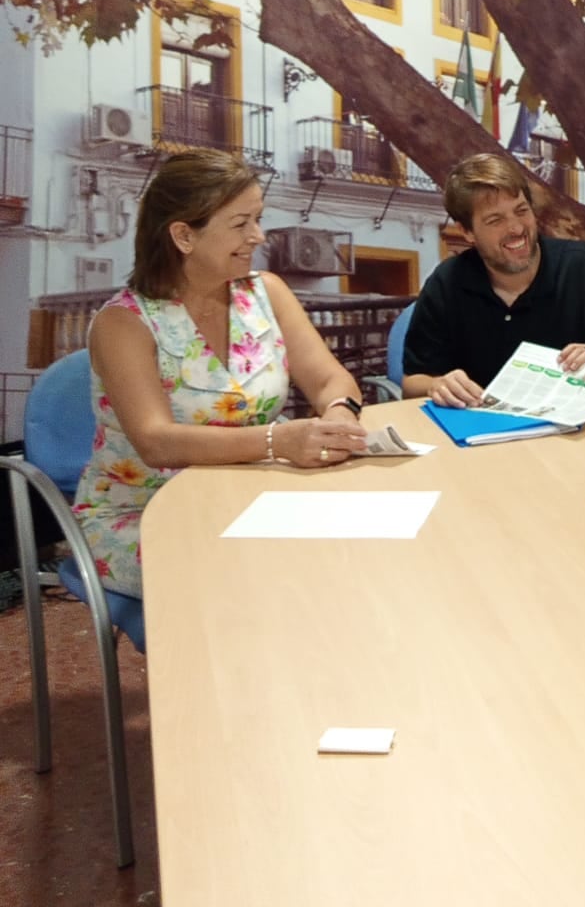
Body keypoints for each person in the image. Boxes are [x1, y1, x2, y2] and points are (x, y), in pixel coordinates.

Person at [73, 149, 369, 598]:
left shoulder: (267, 293)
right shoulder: (123, 323)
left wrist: (341, 414)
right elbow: (156, 441)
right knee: (270, 578)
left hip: (253, 496)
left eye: (258, 218)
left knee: (353, 546)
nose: (259, 236)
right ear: (183, 236)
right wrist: (277, 441)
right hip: (146, 515)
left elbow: (330, 379)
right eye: (241, 223)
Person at [401, 154, 585, 405]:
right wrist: (437, 385)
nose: (516, 228)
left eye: (521, 211)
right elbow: (412, 382)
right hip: (479, 435)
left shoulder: (584, 266)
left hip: (574, 432)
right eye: (495, 220)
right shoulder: (447, 282)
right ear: (467, 231)